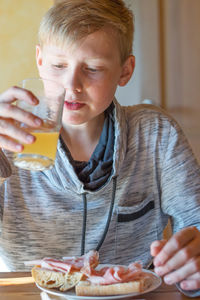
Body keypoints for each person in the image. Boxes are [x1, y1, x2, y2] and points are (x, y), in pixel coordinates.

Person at [0, 0, 200, 297]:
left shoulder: (156, 135)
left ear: (125, 70)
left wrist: (192, 267)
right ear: (40, 61)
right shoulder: (7, 139)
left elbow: (194, 227)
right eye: (58, 66)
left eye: (92, 68)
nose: (71, 84)